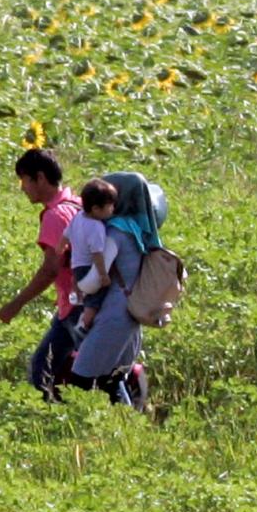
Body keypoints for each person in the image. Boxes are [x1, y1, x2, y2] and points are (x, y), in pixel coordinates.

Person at [69, 172, 162, 404]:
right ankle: (128, 426)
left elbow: (94, 281)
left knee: (81, 379)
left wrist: (78, 286)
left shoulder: (115, 233)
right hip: (129, 314)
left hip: (114, 315)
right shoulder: (136, 229)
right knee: (113, 380)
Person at [0, 149, 82, 401]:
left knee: (41, 371)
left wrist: (16, 303)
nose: (22, 188)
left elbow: (50, 269)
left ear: (40, 178)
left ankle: (50, 422)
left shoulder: (56, 216)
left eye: (24, 180)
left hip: (76, 306)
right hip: (87, 301)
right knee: (78, 368)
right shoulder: (77, 204)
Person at [58, 178, 118, 335]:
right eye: (110, 206)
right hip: (88, 268)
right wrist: (103, 275)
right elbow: (97, 254)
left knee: (83, 294)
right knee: (95, 299)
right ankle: (84, 324)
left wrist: (60, 246)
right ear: (96, 209)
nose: (113, 208)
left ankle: (79, 304)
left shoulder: (78, 217)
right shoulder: (97, 227)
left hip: (76, 267)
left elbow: (66, 234)